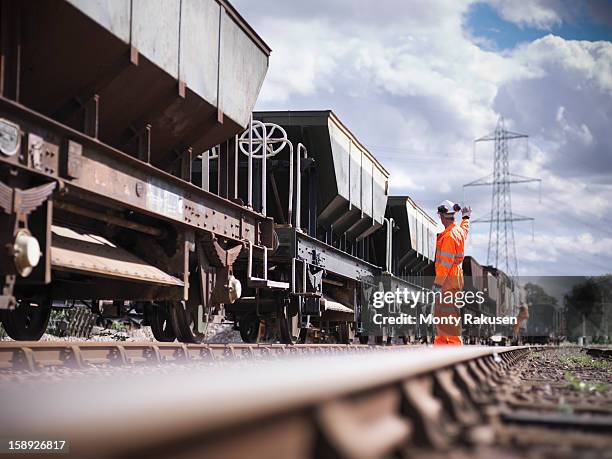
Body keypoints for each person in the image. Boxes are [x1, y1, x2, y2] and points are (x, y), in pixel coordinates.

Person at [432, 200, 471, 345]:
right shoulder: (458, 231)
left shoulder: (448, 237)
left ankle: (453, 350)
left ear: (443, 216)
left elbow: (445, 265)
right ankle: (442, 350)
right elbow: (464, 230)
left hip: (447, 282)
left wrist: (437, 285)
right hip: (455, 280)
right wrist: (466, 218)